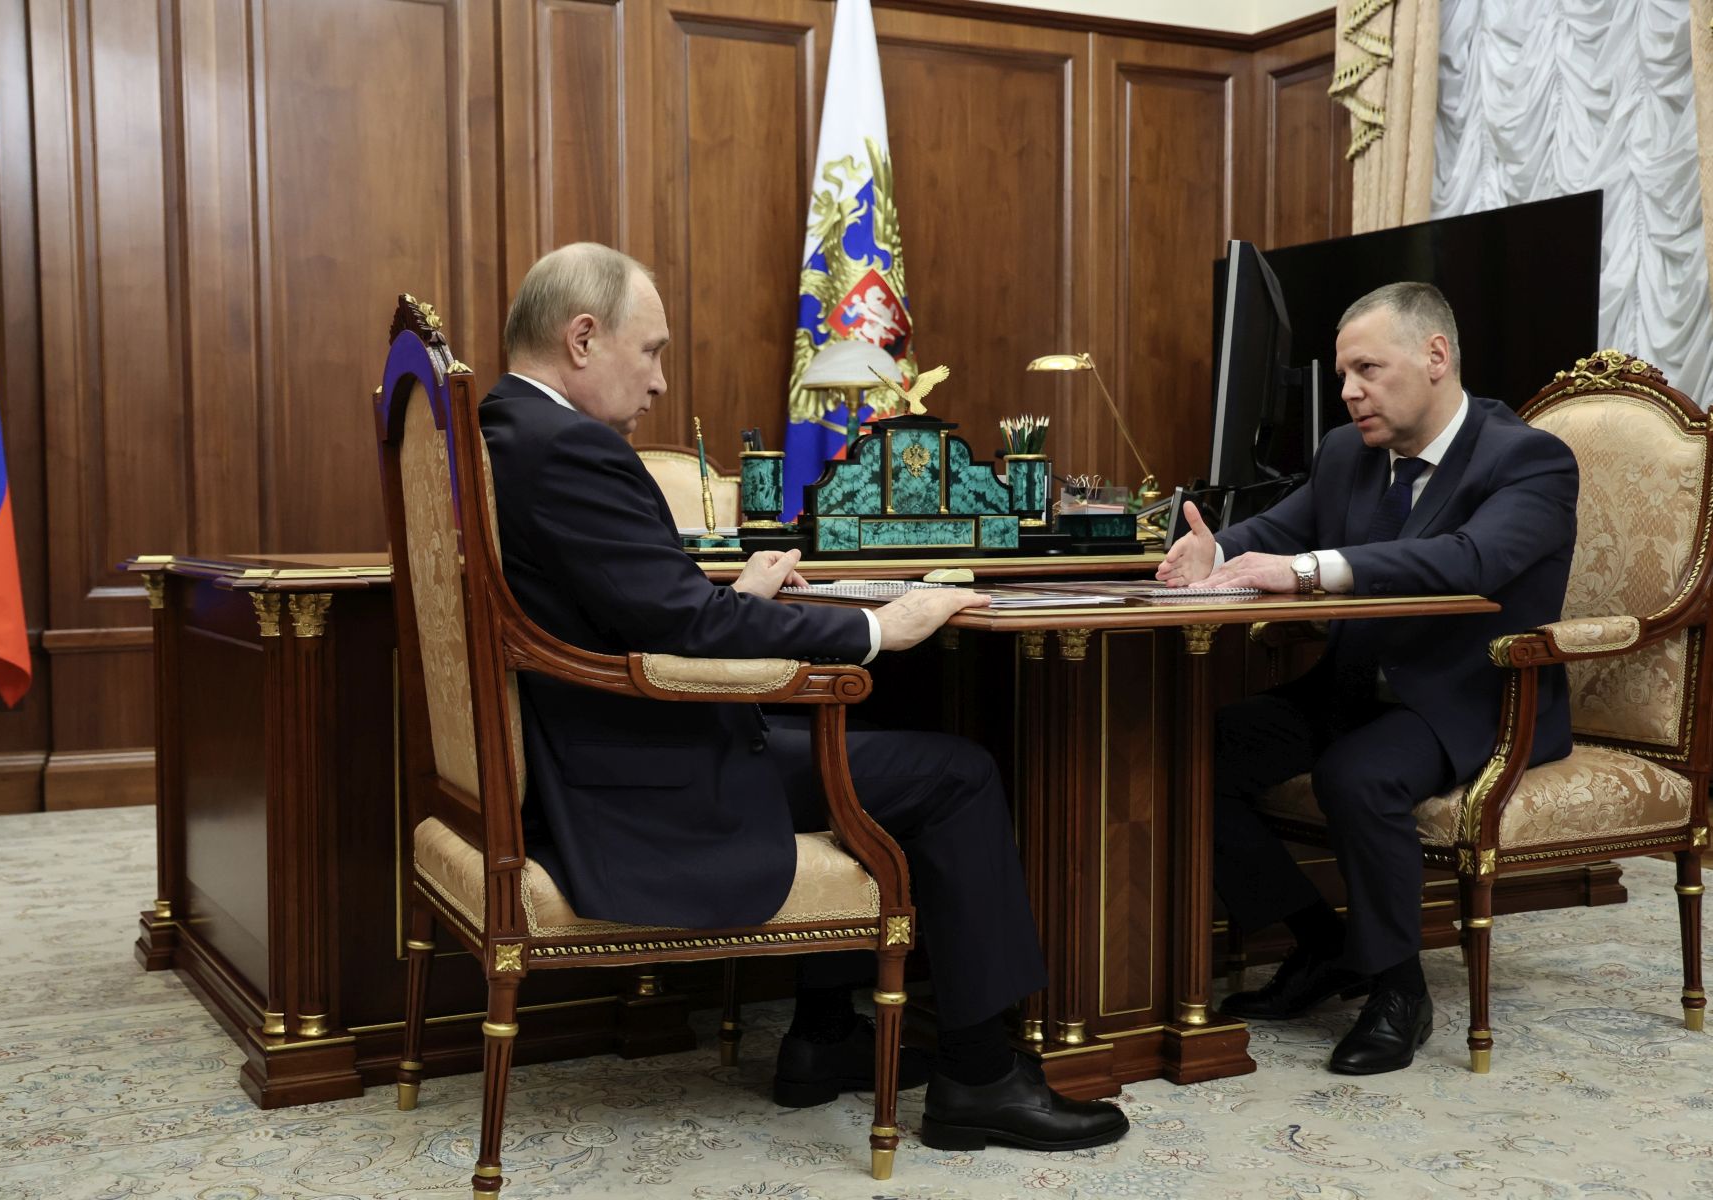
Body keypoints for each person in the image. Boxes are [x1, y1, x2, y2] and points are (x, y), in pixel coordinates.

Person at [478, 241, 1127, 1151]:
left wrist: (729, 599)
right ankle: (981, 1077)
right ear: (583, 338)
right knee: (957, 771)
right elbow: (684, 635)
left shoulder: (501, 430)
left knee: (875, 736)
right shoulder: (568, 449)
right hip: (643, 784)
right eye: (652, 350)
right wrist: (880, 628)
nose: (661, 382)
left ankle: (825, 1039)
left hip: (596, 753)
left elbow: (634, 611)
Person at [1158, 281, 1578, 1074]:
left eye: (1367, 369)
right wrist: (1212, 552)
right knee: (1194, 752)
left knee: (1357, 776)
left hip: (1469, 696)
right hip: (1353, 685)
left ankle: (1398, 990)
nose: (1349, 391)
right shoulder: (1349, 451)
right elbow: (1280, 529)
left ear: (1435, 356)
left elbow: (1471, 561)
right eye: (1345, 373)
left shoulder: (1528, 458)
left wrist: (1309, 573)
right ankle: (1323, 946)